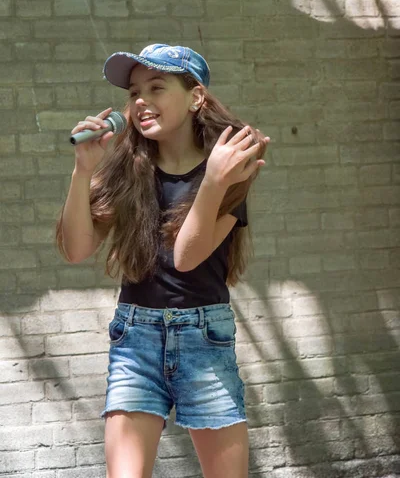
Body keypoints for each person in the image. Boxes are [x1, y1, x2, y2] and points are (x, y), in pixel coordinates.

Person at [56, 43, 269, 478]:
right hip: (136, 338)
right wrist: (84, 171)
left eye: (156, 87)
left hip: (203, 341)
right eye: (134, 92)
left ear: (195, 98)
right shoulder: (127, 168)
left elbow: (187, 257)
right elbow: (76, 248)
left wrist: (211, 181)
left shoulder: (229, 170)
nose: (140, 101)